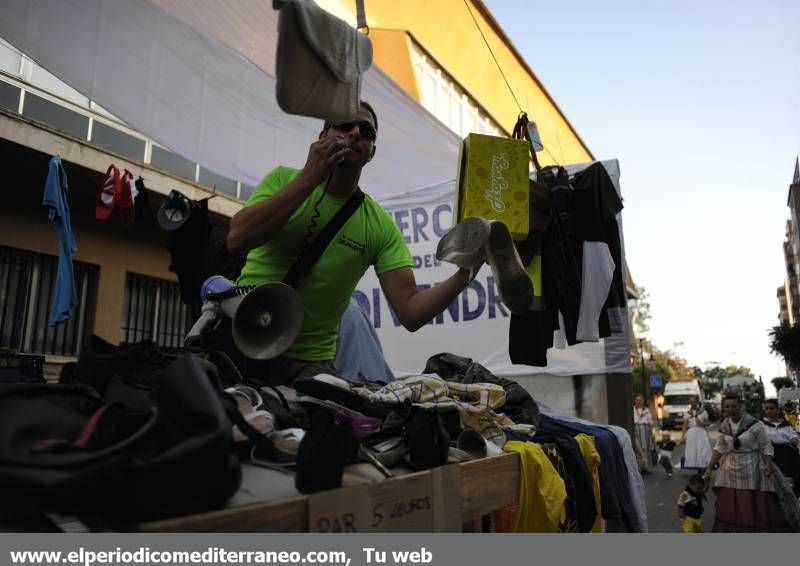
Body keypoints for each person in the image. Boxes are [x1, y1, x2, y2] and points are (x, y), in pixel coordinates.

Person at [227, 101, 475, 384]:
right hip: (241, 339)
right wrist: (309, 178)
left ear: (372, 153)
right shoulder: (283, 179)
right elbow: (237, 239)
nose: (355, 132)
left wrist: (465, 273)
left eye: (367, 131)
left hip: (307, 365)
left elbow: (411, 311)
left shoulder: (379, 227)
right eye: (344, 124)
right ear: (322, 137)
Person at [703, 393, 800, 532]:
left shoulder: (754, 424)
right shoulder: (725, 425)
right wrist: (709, 467)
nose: (731, 409)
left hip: (753, 466)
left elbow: (766, 446)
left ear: (740, 406)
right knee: (732, 504)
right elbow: (720, 447)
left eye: (734, 406)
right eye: (727, 406)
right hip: (730, 468)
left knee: (753, 504)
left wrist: (767, 463)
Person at [762, 398, 800, 496]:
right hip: (769, 457)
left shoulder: (786, 424)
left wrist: (794, 439)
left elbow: (794, 436)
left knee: (788, 483)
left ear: (777, 410)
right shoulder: (761, 425)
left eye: (772, 408)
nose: (769, 411)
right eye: (767, 409)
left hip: (786, 456)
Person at [680, 395, 712, 470]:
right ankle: (696, 467)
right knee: (693, 451)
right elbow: (684, 425)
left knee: (702, 450)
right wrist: (683, 437)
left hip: (701, 433)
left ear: (697, 402)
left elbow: (708, 423)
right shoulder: (687, 413)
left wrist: (701, 423)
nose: (692, 403)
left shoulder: (703, 412)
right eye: (690, 402)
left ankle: (703, 467)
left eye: (694, 401)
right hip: (691, 434)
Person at [633, 395, 655, 473]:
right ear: (635, 401)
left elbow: (650, 423)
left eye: (640, 400)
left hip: (645, 429)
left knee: (646, 448)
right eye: (637, 400)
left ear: (643, 401)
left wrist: (652, 434)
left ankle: (646, 467)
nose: (638, 401)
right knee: (637, 449)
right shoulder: (633, 410)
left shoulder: (647, 410)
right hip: (636, 429)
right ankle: (638, 468)